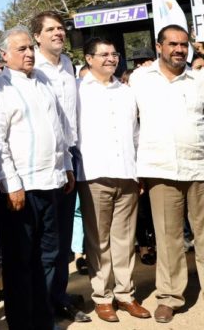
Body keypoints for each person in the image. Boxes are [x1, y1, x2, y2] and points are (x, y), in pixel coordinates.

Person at [0, 26, 74, 330]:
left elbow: (57, 128)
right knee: (21, 261)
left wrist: (66, 166)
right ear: (4, 55)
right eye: (21, 49)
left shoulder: (43, 82)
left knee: (50, 255)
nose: (28, 53)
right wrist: (12, 184)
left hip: (52, 183)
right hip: (22, 190)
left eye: (30, 48)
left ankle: (44, 317)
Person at [130, 24, 204, 323]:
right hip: (160, 171)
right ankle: (170, 297)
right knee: (168, 237)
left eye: (183, 45)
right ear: (158, 46)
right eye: (172, 44)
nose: (179, 50)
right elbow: (129, 124)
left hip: (199, 167)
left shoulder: (198, 80)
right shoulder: (139, 80)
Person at [76, 38, 150, 322]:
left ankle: (126, 294)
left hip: (127, 175)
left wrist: (139, 171)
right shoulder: (78, 91)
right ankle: (102, 297)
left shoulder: (126, 92)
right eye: (104, 54)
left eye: (114, 54)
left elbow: (135, 134)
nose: (111, 58)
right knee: (99, 242)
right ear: (89, 58)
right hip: (95, 175)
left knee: (124, 239)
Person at [31, 11, 89, 323]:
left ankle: (59, 296)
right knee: (47, 241)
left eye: (61, 28)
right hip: (45, 162)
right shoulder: (31, 68)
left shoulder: (68, 64)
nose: (58, 33)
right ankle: (44, 302)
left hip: (71, 156)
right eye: (50, 29)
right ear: (37, 36)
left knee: (64, 234)